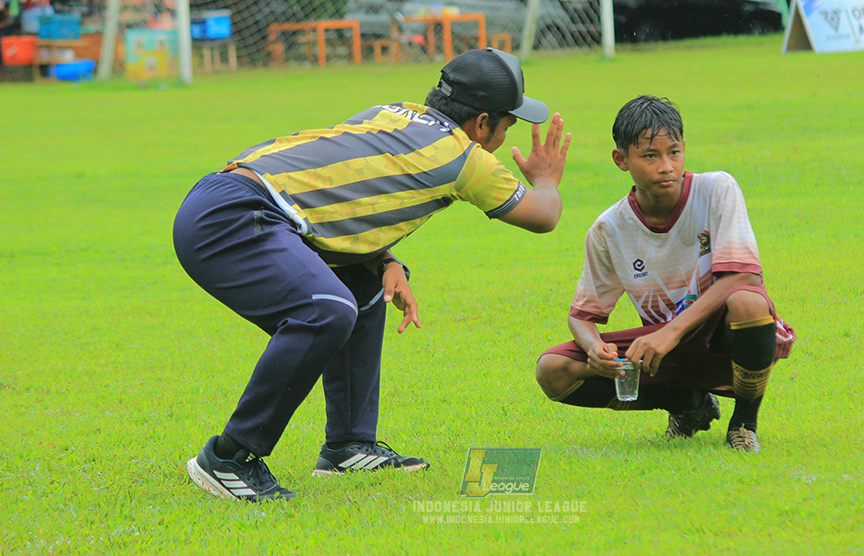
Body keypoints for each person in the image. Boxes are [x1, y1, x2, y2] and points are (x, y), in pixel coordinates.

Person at [174, 48, 571, 501]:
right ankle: (231, 457)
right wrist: (547, 178)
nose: (504, 135)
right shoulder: (468, 159)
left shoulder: (392, 113)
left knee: (358, 291)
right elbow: (544, 216)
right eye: (508, 124)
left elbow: (337, 197)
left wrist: (383, 262)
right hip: (238, 216)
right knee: (326, 309)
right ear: (483, 123)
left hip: (224, 199)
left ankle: (348, 445)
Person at [534, 95, 794, 453]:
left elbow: (744, 278)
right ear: (620, 160)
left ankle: (744, 423)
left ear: (685, 149)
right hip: (663, 355)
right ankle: (687, 404)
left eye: (674, 152)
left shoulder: (717, 190)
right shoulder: (609, 229)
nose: (666, 166)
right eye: (650, 156)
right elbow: (582, 316)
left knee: (749, 303)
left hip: (723, 341)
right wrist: (595, 350)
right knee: (553, 369)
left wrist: (669, 333)